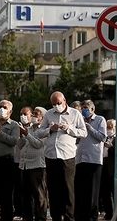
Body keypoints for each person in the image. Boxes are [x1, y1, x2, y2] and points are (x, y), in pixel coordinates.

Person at [38, 91, 87, 221]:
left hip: (67, 156)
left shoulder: (75, 114)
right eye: (54, 104)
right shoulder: (48, 114)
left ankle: (69, 217)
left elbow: (83, 133)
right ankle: (55, 217)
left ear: (64, 101)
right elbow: (39, 133)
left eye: (59, 103)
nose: (57, 106)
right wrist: (50, 129)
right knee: (53, 190)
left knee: (68, 189)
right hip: (51, 156)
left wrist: (69, 128)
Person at [74, 100, 106, 221]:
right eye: (82, 108)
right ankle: (80, 215)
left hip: (94, 160)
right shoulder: (79, 120)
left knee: (92, 191)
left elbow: (102, 137)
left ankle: (92, 216)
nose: (84, 110)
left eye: (86, 108)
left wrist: (89, 128)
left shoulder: (100, 119)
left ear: (92, 109)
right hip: (80, 158)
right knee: (81, 189)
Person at [18, 106, 48, 221]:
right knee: (26, 195)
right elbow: (20, 145)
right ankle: (27, 217)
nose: (34, 115)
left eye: (37, 114)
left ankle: (40, 218)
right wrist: (21, 136)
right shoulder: (29, 129)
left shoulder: (45, 130)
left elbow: (38, 144)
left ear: (43, 118)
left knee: (39, 195)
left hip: (37, 166)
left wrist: (26, 135)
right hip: (24, 166)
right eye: (34, 113)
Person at [100, 119, 117, 220]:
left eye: (111, 127)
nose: (109, 129)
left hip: (115, 168)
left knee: (116, 192)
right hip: (103, 167)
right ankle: (109, 213)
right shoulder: (103, 138)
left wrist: (111, 147)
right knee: (105, 192)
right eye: (108, 127)